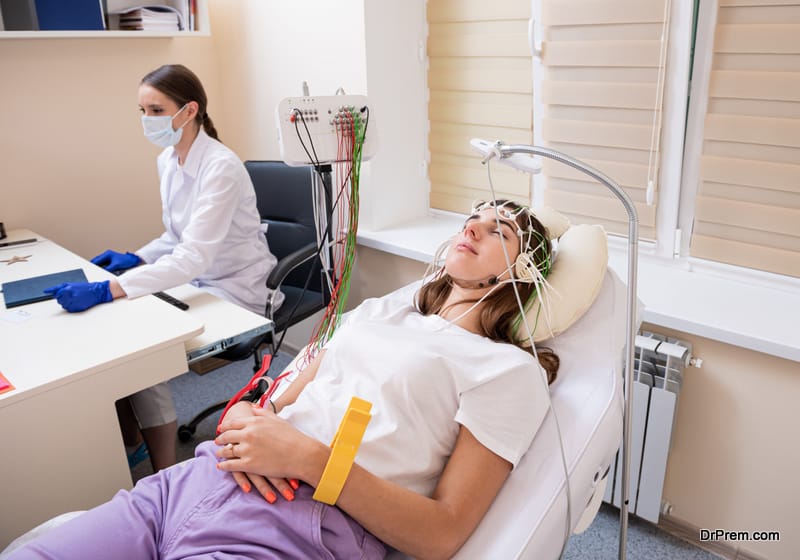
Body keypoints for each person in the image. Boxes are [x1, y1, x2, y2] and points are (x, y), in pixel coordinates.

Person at [13, 199, 558, 560]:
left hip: (295, 523)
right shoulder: (381, 314)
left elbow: (443, 533)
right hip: (194, 481)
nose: (472, 227)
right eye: (473, 218)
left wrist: (308, 460)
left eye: (498, 230)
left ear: (521, 271)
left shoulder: (508, 371)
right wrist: (247, 414)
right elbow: (278, 395)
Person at [43, 64, 283, 472]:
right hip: (198, 278)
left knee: (139, 333)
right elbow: (176, 238)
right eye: (141, 110)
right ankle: (137, 438)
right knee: (121, 320)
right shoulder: (168, 161)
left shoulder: (221, 166)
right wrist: (134, 258)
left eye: (155, 110)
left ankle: (165, 467)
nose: (146, 120)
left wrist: (110, 288)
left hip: (236, 289)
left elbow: (193, 256)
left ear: (189, 111)